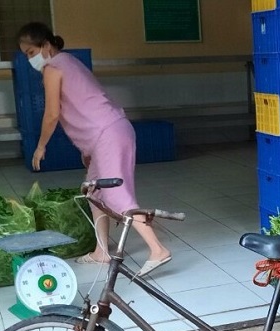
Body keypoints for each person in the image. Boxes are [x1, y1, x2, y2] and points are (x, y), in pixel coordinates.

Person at [17, 22, 171, 276]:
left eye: (31, 53)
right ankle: (101, 252)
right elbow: (84, 103)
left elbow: (52, 113)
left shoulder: (53, 68)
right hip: (108, 133)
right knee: (94, 191)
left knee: (116, 195)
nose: (30, 60)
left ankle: (157, 249)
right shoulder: (70, 61)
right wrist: (89, 149)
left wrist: (40, 146)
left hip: (108, 133)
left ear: (46, 46)